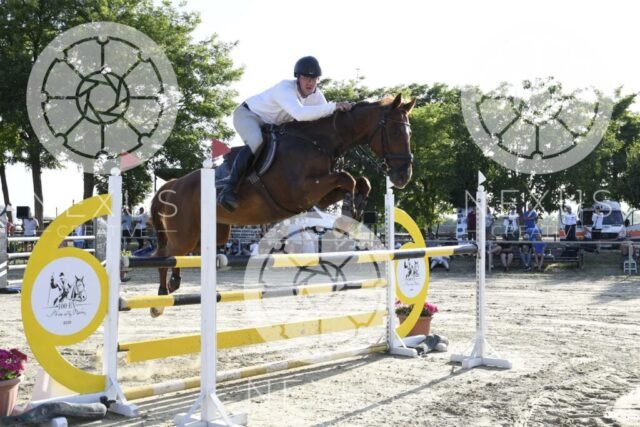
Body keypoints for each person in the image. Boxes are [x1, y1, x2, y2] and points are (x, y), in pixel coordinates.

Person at [218, 56, 354, 212]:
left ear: (318, 80)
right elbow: (300, 114)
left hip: (273, 126)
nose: (310, 82)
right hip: (249, 115)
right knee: (256, 141)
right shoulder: (285, 88)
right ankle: (228, 188)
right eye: (305, 78)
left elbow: (326, 121)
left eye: (314, 79)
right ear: (298, 78)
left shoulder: (317, 97)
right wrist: (335, 106)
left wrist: (349, 114)